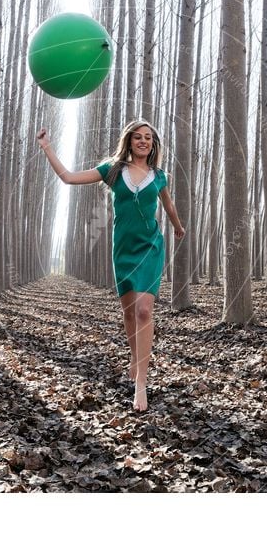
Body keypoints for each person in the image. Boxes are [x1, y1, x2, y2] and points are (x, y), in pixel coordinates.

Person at [37, 120, 185, 411]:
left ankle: (141, 383)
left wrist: (178, 228)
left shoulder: (159, 176)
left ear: (153, 145)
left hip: (150, 248)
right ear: (129, 141)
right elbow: (68, 177)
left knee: (144, 310)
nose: (143, 141)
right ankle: (134, 356)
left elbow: (168, 205)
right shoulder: (113, 170)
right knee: (129, 313)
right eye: (138, 137)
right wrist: (47, 147)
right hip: (123, 250)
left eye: (148, 138)